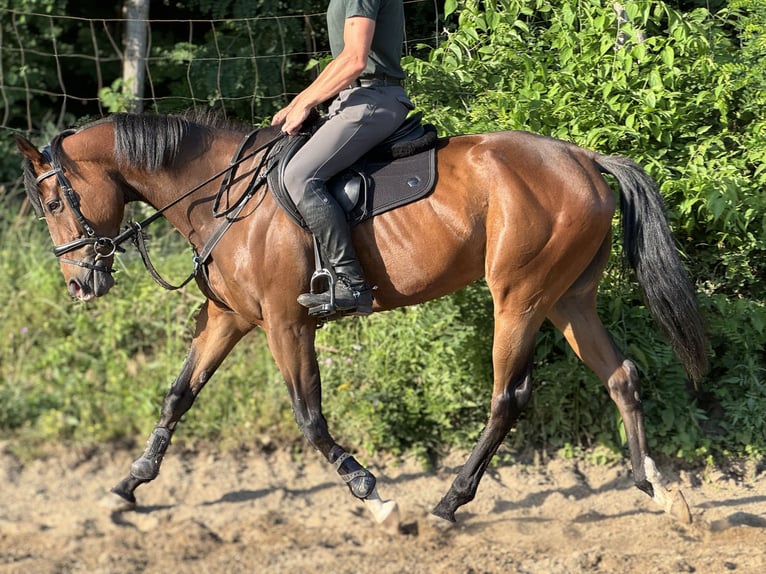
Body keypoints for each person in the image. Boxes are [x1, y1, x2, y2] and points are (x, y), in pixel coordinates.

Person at [271, 0, 413, 316]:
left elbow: (353, 60)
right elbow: (342, 64)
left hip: (373, 99)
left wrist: (306, 103)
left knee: (299, 177)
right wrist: (299, 101)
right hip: (351, 100)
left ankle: (352, 284)